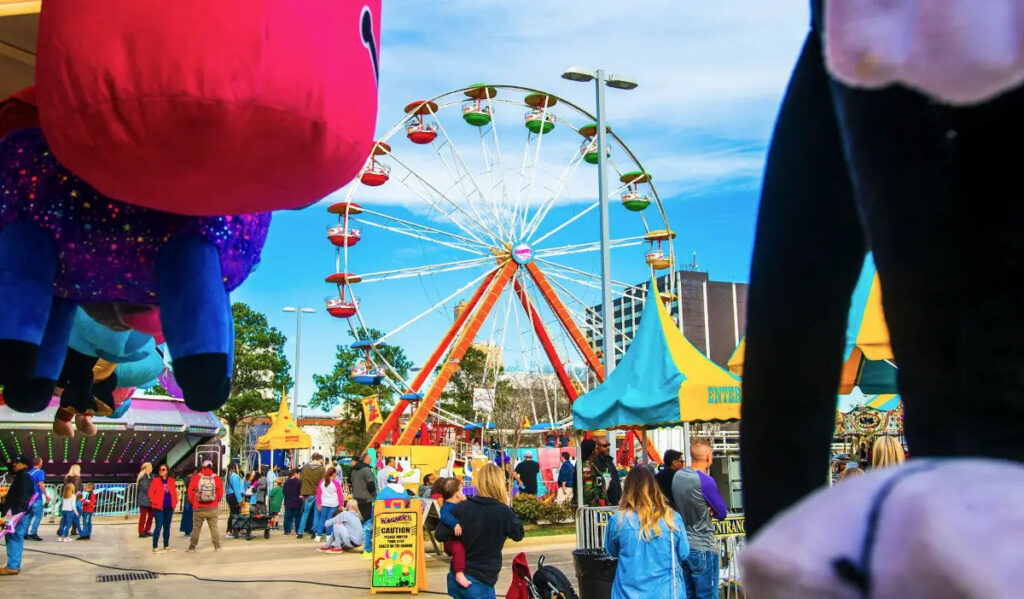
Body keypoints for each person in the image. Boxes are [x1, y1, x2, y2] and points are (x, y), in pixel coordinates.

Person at [439, 463, 524, 598]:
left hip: (456, 575)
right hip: (480, 580)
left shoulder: (462, 507)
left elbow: (440, 534)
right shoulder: (503, 511)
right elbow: (518, 534)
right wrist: (508, 508)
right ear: (500, 484)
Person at [605, 467, 689, 599]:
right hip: (666, 592)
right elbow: (684, 553)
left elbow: (612, 551)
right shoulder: (672, 518)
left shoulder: (619, 520)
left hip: (626, 592)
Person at [672, 440, 727, 599]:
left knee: (688, 594)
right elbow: (722, 512)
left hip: (684, 544)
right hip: (703, 545)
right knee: (707, 595)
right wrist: (710, 510)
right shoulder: (705, 481)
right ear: (709, 458)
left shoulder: (678, 475)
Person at [0, 455, 35, 575]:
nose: (14, 464)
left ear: (25, 465)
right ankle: (13, 565)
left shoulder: (24, 478)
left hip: (16, 515)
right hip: (16, 513)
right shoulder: (22, 477)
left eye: (17, 462)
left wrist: (15, 515)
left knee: (13, 538)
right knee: (14, 538)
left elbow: (24, 498)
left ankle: (12, 566)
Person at [438, 477, 471, 589]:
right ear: (456, 495)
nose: (463, 493)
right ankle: (459, 574)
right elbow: (444, 516)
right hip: (451, 543)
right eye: (461, 491)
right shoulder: (447, 507)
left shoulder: (455, 505)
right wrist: (455, 524)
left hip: (455, 539)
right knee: (459, 548)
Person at [186, 459, 224, 552]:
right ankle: (217, 546)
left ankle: (192, 547)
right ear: (212, 467)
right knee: (214, 527)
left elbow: (190, 492)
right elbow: (220, 493)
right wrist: (215, 501)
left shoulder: (196, 478)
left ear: (202, 467)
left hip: (198, 507)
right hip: (212, 507)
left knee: (196, 528)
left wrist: (194, 502)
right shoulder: (216, 478)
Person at [148, 464, 177, 553]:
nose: (161, 471)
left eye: (163, 469)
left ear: (167, 470)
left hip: (169, 507)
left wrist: (175, 502)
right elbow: (150, 493)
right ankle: (155, 546)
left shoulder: (171, 480)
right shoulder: (156, 480)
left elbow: (174, 492)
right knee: (158, 526)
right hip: (159, 507)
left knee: (167, 527)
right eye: (160, 469)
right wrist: (155, 501)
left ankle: (166, 545)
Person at [297, 453, 325, 540]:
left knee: (305, 513)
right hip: (317, 493)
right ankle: (314, 531)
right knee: (316, 513)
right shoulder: (321, 469)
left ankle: (300, 532)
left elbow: (300, 480)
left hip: (308, 493)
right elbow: (323, 481)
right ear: (319, 459)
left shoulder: (305, 468)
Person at [315, 466, 344, 543]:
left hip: (324, 503)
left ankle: (318, 535)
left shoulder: (322, 482)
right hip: (334, 503)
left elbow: (318, 493)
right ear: (334, 474)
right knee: (330, 520)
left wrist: (319, 503)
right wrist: (341, 505)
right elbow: (339, 495)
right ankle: (328, 536)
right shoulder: (336, 483)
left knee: (322, 519)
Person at [591, 437, 622, 505]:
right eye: (605, 446)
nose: (608, 448)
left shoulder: (609, 461)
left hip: (614, 501)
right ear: (597, 447)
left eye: (608, 445)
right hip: (603, 502)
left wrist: (620, 495)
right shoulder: (594, 462)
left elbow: (616, 479)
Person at [24, 457, 48, 541]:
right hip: (37, 497)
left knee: (28, 516)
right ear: (40, 463)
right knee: (38, 516)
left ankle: (24, 533)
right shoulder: (40, 472)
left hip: (29, 498)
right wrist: (46, 494)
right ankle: (33, 533)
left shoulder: (29, 472)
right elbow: (41, 483)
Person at [578, 440, 608, 507]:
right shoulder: (587, 466)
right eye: (596, 448)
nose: (598, 450)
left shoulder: (591, 464)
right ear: (592, 451)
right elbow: (588, 485)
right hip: (592, 504)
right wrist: (595, 501)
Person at [349, 453, 376, 522]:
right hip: (366, 499)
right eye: (369, 459)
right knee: (366, 520)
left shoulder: (353, 470)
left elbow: (351, 483)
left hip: (356, 498)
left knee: (357, 519)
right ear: (365, 460)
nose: (370, 460)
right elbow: (371, 485)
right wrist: (374, 495)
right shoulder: (367, 470)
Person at [224, 462, 244, 537]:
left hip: (229, 496)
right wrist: (240, 500)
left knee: (233, 513)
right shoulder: (235, 476)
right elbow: (237, 489)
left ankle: (235, 530)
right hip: (234, 496)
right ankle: (231, 530)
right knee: (235, 514)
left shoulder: (227, 476)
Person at [64, 464, 83, 537]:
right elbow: (77, 489)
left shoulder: (66, 478)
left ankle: (61, 529)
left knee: (65, 514)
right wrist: (80, 497)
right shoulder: (77, 479)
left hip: (66, 498)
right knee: (76, 514)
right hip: (75, 498)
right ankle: (74, 530)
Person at [136, 462, 154, 538]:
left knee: (151, 515)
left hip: (149, 499)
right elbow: (146, 489)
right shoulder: (143, 477)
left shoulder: (150, 477)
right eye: (151, 467)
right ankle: (141, 531)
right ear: (147, 468)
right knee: (143, 516)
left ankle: (147, 530)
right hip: (144, 500)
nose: (152, 468)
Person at [282, 469, 302, 535]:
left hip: (288, 501)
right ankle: (297, 531)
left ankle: (287, 531)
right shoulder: (298, 482)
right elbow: (300, 492)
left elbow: (284, 492)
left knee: (287, 517)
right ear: (295, 474)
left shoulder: (286, 482)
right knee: (297, 517)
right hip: (297, 501)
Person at [179, 466, 197, 538]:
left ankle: (189, 530)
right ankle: (187, 531)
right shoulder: (190, 479)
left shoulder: (187, 478)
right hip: (189, 499)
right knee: (188, 516)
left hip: (190, 499)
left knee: (189, 516)